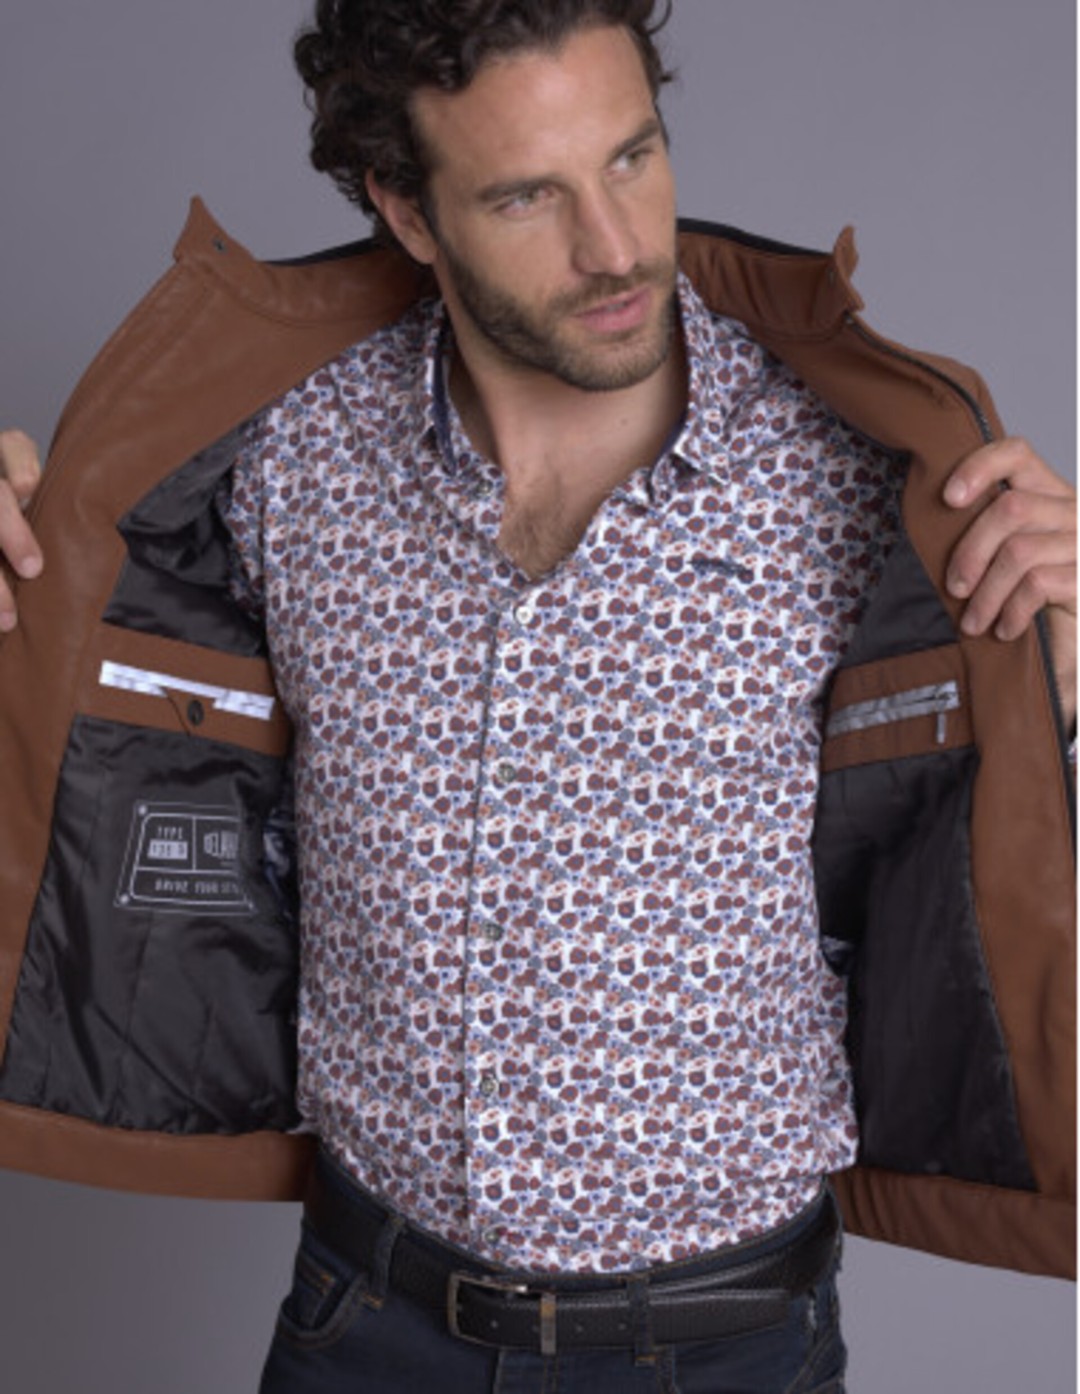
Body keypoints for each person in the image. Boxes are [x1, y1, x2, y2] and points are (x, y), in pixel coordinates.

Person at [0, 2, 1073, 1391]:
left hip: (726, 1345)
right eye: (527, 196)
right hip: (364, 1323)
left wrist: (1065, 685)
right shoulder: (280, 455)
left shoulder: (857, 474)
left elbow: (989, 838)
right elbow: (99, 730)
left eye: (633, 157)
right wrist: (27, 580)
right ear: (408, 211)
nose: (615, 246)